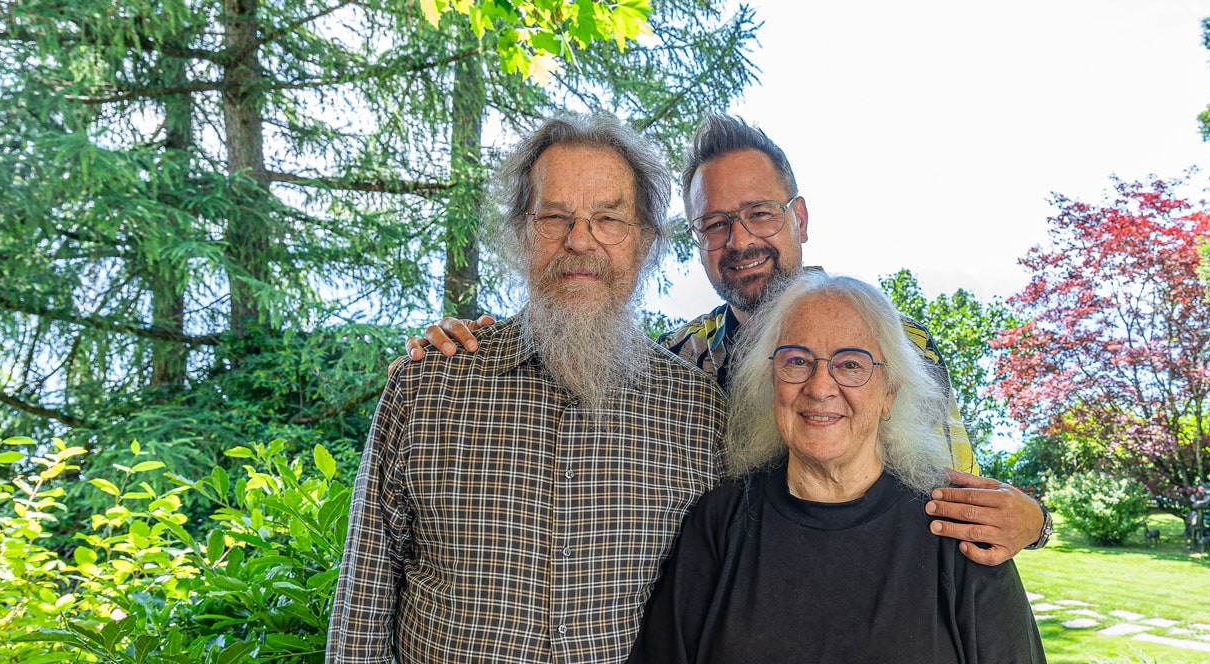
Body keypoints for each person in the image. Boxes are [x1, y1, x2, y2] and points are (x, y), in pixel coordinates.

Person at [302, 114, 726, 664]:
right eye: (555, 217)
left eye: (608, 219)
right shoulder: (429, 386)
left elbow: (720, 631)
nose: (580, 241)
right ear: (518, 233)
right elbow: (363, 601)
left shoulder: (698, 414)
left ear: (645, 240)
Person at [585, 272, 1060, 664]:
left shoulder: (958, 526)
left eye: (851, 364)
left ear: (891, 389)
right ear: (769, 380)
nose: (819, 385)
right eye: (796, 360)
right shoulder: (719, 526)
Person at [406, 114, 1051, 567]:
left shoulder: (891, 351)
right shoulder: (678, 358)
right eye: (714, 224)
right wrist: (480, 343)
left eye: (759, 214)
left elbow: (964, 508)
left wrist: (1035, 521)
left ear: (799, 217)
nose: (739, 241)